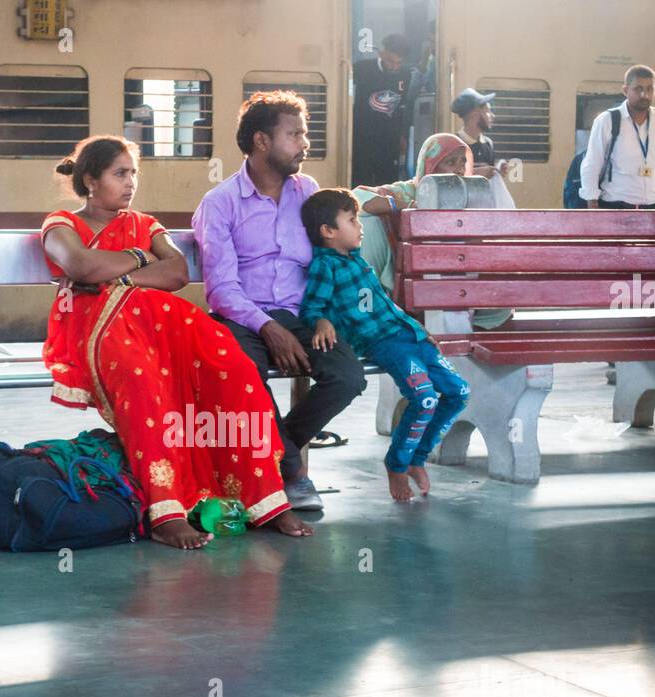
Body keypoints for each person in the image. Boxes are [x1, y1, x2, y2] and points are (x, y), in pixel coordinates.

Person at [40, 136, 312, 549]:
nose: (130, 183)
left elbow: (177, 273)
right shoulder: (62, 224)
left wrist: (119, 273)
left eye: (133, 174)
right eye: (119, 174)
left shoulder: (144, 224)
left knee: (234, 371)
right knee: (145, 387)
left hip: (161, 325)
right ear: (91, 180)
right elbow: (79, 263)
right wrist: (142, 258)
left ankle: (264, 499)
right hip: (98, 327)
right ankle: (165, 511)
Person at [193, 91, 367, 513]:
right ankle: (292, 473)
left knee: (348, 376)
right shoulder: (220, 204)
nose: (304, 144)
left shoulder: (307, 193)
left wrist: (322, 317)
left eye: (304, 134)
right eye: (294, 135)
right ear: (261, 141)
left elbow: (327, 259)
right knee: (245, 371)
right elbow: (221, 289)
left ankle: (275, 447)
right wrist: (268, 329)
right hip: (241, 318)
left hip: (302, 316)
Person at [299, 188, 469, 502]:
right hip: (384, 344)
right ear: (328, 231)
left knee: (458, 393)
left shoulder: (358, 259)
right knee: (425, 399)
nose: (360, 225)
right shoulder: (326, 267)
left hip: (409, 335)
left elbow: (383, 303)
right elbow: (311, 308)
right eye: (352, 220)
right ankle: (397, 464)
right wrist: (322, 322)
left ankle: (417, 458)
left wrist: (415, 325)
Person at [352, 133, 511, 330]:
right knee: (369, 225)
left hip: (456, 285)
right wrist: (409, 206)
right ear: (430, 166)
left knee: (503, 301)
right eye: (451, 162)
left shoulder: (471, 198)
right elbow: (357, 198)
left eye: (463, 162)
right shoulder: (408, 191)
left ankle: (459, 334)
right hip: (407, 286)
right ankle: (370, 314)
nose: (460, 170)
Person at [579, 65, 655, 210]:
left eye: (650, 89)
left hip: (650, 206)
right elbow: (592, 163)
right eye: (638, 89)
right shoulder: (608, 120)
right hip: (614, 204)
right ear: (625, 90)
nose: (645, 94)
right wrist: (592, 203)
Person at [351, 34, 412, 187]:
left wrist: (403, 135)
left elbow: (403, 106)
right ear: (381, 53)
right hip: (362, 134)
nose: (394, 66)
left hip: (389, 137)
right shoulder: (361, 69)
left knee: (387, 180)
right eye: (390, 61)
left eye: (399, 62)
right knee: (361, 177)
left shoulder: (405, 74)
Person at [450, 88, 501, 180]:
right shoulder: (454, 145)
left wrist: (497, 170)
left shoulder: (488, 144)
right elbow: (448, 179)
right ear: (474, 114)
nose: (492, 116)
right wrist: (474, 173)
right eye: (487, 111)